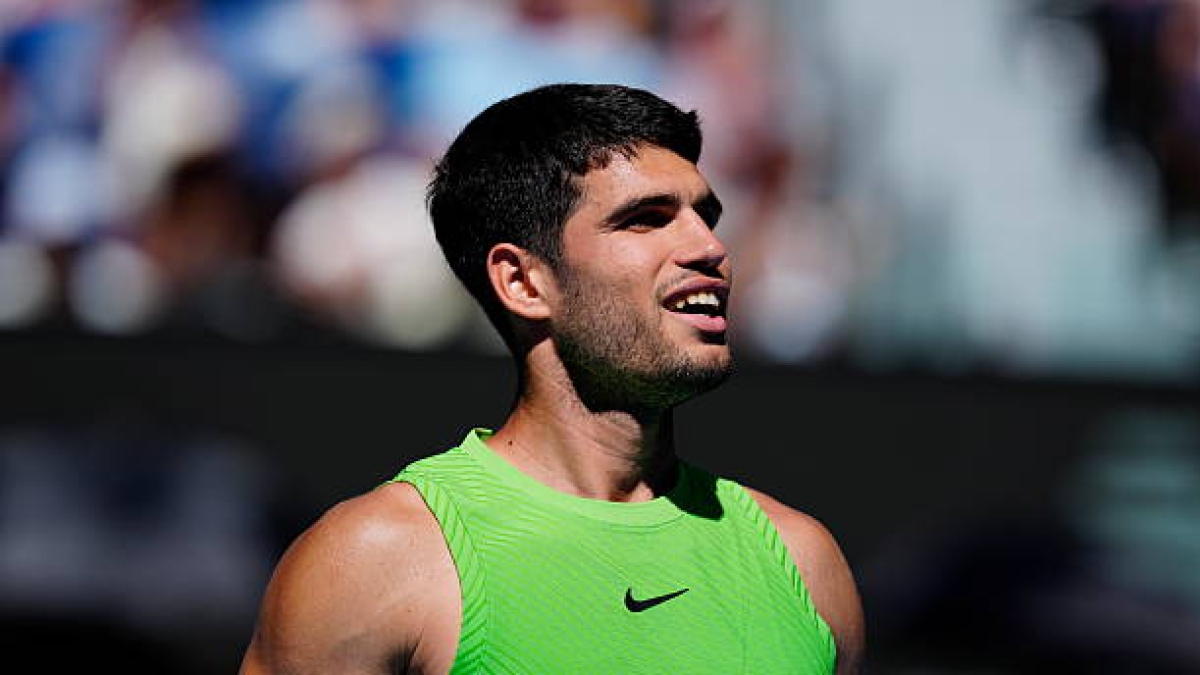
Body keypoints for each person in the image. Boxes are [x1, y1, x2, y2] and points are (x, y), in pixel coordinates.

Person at [240, 83, 864, 674]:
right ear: (522, 282)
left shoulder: (803, 561)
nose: (709, 248)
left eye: (706, 216)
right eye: (647, 218)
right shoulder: (378, 560)